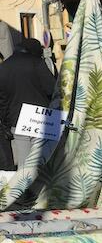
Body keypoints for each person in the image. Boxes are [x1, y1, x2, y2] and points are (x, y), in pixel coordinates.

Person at [0, 37, 57, 169]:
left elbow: (2, 100)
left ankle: (24, 189)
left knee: (24, 165)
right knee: (44, 163)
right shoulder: (37, 63)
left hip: (17, 121)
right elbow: (52, 90)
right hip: (42, 120)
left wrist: (6, 123)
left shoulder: (4, 67)